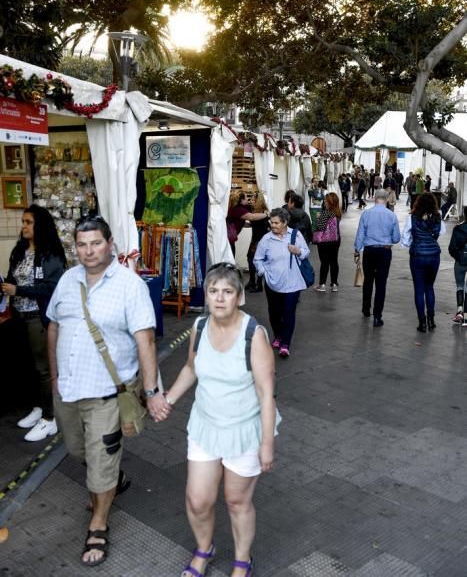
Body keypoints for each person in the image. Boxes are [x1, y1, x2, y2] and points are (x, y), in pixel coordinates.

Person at [152, 262, 279, 577]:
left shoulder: (254, 334)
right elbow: (191, 368)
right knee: (197, 500)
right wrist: (167, 399)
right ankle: (204, 549)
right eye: (213, 291)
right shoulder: (199, 328)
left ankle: (242, 561)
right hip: (206, 425)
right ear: (206, 296)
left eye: (227, 292)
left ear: (238, 297)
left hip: (244, 431)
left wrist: (267, 444)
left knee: (236, 501)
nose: (220, 298)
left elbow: (266, 394)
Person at [47, 215, 159, 567]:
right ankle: (112, 477)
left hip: (107, 394)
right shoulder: (67, 280)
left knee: (100, 461)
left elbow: (146, 341)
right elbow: (52, 328)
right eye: (82, 244)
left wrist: (153, 391)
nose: (88, 251)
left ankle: (98, 522)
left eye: (95, 243)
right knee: (78, 450)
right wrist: (53, 377)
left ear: (109, 243)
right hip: (68, 390)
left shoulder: (130, 285)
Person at [1, 205, 66, 441]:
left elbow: (51, 287)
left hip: (39, 317)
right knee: (27, 366)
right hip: (18, 315)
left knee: (44, 369)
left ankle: (51, 418)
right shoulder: (19, 250)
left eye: (28, 222)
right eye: (23, 222)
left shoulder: (51, 254)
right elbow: (12, 277)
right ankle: (38, 408)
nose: (24, 226)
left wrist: (19, 289)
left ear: (40, 225)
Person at [254, 208, 310, 358]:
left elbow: (306, 251)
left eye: (276, 222)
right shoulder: (266, 239)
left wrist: (298, 251)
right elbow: (257, 259)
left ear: (285, 222)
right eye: (271, 222)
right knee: (274, 312)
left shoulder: (296, 235)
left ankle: (285, 343)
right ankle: (278, 335)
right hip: (272, 283)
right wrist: (263, 273)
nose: (273, 225)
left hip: (293, 283)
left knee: (288, 312)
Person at [354, 188, 401, 327]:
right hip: (384, 251)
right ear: (386, 199)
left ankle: (366, 309)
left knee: (368, 280)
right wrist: (388, 240)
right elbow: (396, 237)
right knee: (381, 284)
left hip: (369, 250)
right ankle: (377, 316)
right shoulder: (391, 215)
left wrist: (357, 250)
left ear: (375, 198)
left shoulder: (366, 214)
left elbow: (360, 234)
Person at [401, 193, 444, 332]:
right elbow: (441, 232)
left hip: (417, 256)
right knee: (429, 287)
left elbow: (405, 237)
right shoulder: (438, 218)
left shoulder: (412, 218)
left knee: (419, 289)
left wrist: (411, 244)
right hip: (433, 256)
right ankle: (431, 320)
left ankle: (422, 322)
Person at [314, 192, 341, 293]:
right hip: (336, 240)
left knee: (324, 262)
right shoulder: (338, 212)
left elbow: (320, 227)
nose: (324, 202)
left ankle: (322, 284)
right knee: (334, 261)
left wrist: (318, 218)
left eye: (325, 200)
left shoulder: (325, 213)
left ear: (329, 202)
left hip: (325, 241)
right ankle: (334, 284)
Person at [227, 192, 269, 256]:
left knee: (252, 258)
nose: (249, 200)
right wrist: (267, 214)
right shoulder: (240, 208)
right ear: (242, 200)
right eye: (247, 197)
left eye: (252, 199)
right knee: (250, 257)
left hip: (260, 239)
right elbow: (251, 217)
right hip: (253, 239)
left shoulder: (243, 207)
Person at [245, 193, 270, 293]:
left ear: (258, 200)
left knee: (254, 260)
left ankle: (257, 284)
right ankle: (254, 282)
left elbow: (259, 224)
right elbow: (253, 222)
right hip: (256, 239)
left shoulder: (264, 213)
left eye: (254, 199)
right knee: (252, 260)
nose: (252, 201)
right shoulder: (259, 212)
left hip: (259, 240)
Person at [448, 207, 467, 325]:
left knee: (460, 286)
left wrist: (459, 257)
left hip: (460, 261)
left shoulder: (458, 229)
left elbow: (451, 248)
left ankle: (459, 311)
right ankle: (466, 316)